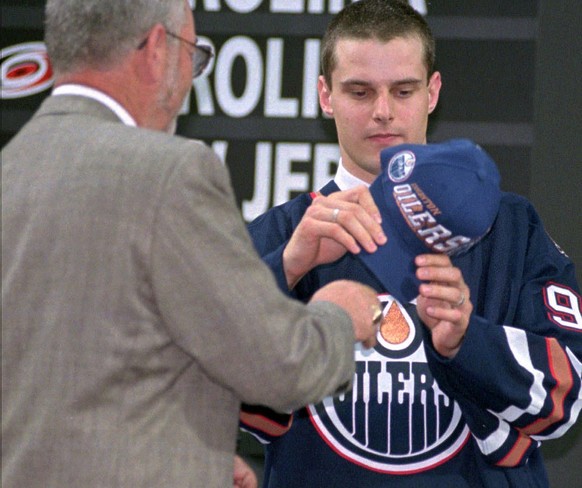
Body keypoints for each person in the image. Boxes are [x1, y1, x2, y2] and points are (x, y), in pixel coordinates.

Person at [0, 1, 384, 487]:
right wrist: (340, 313)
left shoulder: (10, 169)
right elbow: (277, 363)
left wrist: (185, 455)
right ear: (158, 49)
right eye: (193, 56)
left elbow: (75, 366)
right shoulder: (171, 173)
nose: (188, 79)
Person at [239, 1, 582, 487]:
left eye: (403, 90)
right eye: (359, 91)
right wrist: (287, 271)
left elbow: (564, 399)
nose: (383, 112)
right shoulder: (283, 236)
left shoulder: (507, 228)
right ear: (325, 96)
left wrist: (468, 340)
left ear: (432, 92)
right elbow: (221, 401)